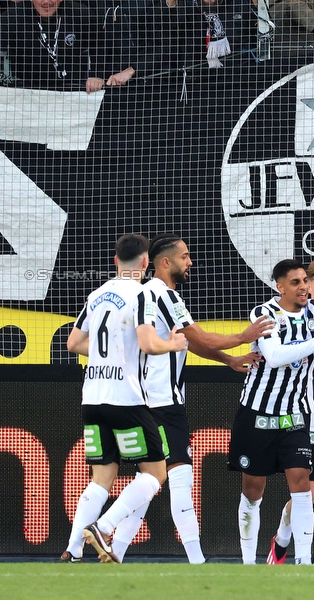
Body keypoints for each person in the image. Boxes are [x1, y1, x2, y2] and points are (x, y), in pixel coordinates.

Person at [108, 234, 273, 564]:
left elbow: (189, 342)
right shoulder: (162, 293)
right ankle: (195, 561)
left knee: (149, 481)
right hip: (160, 404)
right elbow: (198, 335)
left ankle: (113, 550)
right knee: (179, 477)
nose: (190, 262)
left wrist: (227, 359)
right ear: (165, 262)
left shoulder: (151, 294)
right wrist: (244, 336)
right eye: (185, 256)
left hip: (145, 402)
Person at [61, 233, 187, 564]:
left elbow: (73, 343)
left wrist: (109, 355)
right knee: (156, 473)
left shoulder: (97, 294)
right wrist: (171, 345)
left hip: (92, 398)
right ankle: (103, 527)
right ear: (146, 263)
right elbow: (148, 344)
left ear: (116, 261)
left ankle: (73, 550)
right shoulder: (142, 294)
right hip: (126, 399)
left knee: (101, 477)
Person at [228, 259, 314, 565]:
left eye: (304, 282)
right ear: (279, 287)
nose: (303, 288)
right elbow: (274, 355)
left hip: (295, 415)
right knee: (253, 491)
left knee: (301, 484)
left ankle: (304, 562)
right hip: (257, 413)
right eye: (295, 283)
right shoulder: (265, 314)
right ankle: (247, 563)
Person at [163, 0, 256, 69]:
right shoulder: (182, 4)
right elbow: (162, 34)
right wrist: (172, 0)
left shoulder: (238, 0)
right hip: (196, 80)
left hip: (239, 76)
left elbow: (259, 35)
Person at [93, 0, 156, 86]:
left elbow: (163, 46)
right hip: (112, 91)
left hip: (144, 91)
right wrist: (96, 76)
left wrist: (133, 69)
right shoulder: (110, 2)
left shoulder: (149, 2)